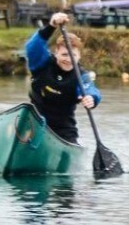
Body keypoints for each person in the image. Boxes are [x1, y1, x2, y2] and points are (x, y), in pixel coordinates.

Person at [23, 12, 103, 144]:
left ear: (79, 56)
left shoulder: (81, 76)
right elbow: (32, 48)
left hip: (63, 129)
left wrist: (91, 98)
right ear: (56, 53)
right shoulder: (43, 64)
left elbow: (91, 90)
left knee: (69, 140)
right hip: (33, 122)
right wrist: (51, 26)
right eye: (65, 54)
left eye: (73, 55)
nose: (69, 59)